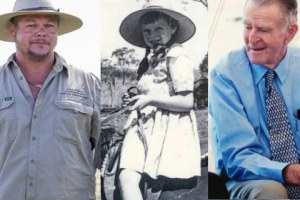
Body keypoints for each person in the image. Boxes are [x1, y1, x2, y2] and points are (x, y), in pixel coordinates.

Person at [0, 0, 101, 199]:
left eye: (49, 26)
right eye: (31, 25)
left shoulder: (88, 85)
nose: (41, 32)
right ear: (13, 31)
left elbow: (104, 154)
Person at [209, 0, 300, 199]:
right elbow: (237, 158)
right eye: (247, 26)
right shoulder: (225, 75)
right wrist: (289, 172)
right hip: (248, 179)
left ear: (290, 33)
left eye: (263, 30)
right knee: (271, 191)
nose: (251, 38)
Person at [117, 1, 201, 199]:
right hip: (143, 125)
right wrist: (135, 98)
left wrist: (149, 100)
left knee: (158, 182)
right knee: (126, 177)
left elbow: (187, 102)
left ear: (173, 28)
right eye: (146, 31)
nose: (152, 35)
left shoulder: (177, 56)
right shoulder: (149, 59)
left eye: (158, 28)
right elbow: (149, 90)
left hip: (169, 126)